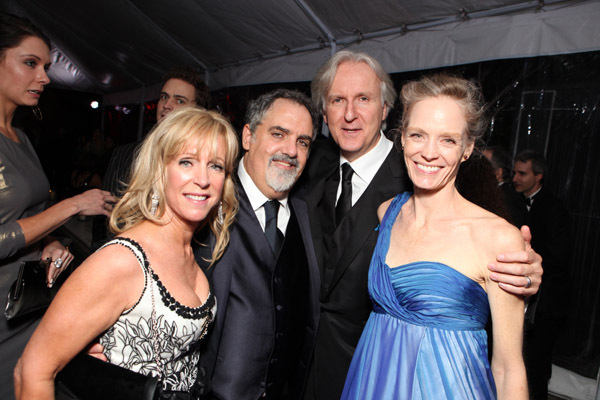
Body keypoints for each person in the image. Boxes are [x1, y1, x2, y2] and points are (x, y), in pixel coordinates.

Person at [300, 50, 544, 399]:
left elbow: (507, 366)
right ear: (402, 137)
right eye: (418, 135)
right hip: (364, 379)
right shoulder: (381, 209)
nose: (429, 152)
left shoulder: (497, 234)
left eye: (447, 139)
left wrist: (530, 275)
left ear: (467, 147)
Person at [15, 107, 239, 398]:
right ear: (160, 170)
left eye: (216, 166)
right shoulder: (123, 260)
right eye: (187, 162)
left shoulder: (192, 250)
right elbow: (32, 371)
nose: (203, 179)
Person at [0, 13, 113, 399]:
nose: (45, 77)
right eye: (30, 63)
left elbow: (25, 219)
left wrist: (47, 244)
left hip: (26, 305)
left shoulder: (21, 139)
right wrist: (72, 205)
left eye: (46, 67)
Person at [196, 89, 321, 399]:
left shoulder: (306, 216)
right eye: (279, 134)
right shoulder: (204, 203)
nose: (291, 151)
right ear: (248, 136)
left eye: (303, 142)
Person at [91, 66, 212, 247]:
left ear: (197, 112)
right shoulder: (124, 154)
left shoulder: (205, 166)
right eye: (164, 97)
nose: (167, 105)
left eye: (179, 101)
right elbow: (104, 220)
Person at [513, 149, 570, 400]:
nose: (515, 178)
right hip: (522, 296)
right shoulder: (513, 201)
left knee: (536, 363)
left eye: (522, 173)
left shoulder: (554, 208)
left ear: (538, 177)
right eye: (514, 172)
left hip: (546, 302)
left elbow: (559, 257)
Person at [484, 145, 528, 227]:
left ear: (498, 173)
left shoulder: (508, 200)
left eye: (483, 165)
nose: (477, 168)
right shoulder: (494, 194)